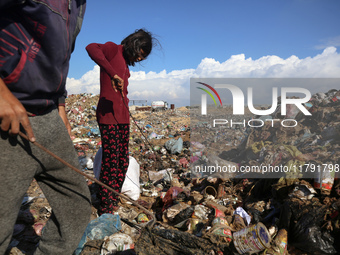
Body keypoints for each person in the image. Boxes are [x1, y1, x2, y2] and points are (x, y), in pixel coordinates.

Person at [0, 1, 91, 254]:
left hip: (48, 115)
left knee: (77, 203)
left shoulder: (79, 4)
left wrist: (60, 104)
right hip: (8, 119)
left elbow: (60, 56)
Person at [86, 29, 157, 215]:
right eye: (140, 55)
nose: (140, 60)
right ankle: (106, 205)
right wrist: (111, 74)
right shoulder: (112, 49)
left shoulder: (125, 63)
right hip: (108, 116)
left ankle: (113, 195)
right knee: (110, 161)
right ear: (134, 45)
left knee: (121, 160)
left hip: (123, 117)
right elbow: (91, 47)